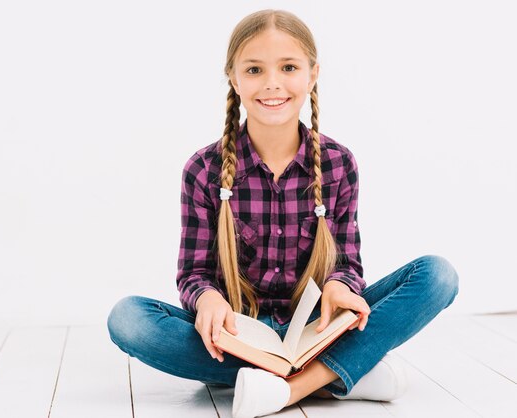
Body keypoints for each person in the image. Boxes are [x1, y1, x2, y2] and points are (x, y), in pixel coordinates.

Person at [107, 8, 459, 418]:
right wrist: (206, 301)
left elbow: (346, 263)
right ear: (234, 78)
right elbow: (194, 274)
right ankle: (338, 376)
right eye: (254, 70)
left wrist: (340, 288)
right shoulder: (203, 170)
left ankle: (290, 388)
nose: (272, 84)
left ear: (312, 75)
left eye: (288, 67)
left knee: (438, 275)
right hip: (240, 335)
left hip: (318, 331)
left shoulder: (338, 163)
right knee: (128, 319)